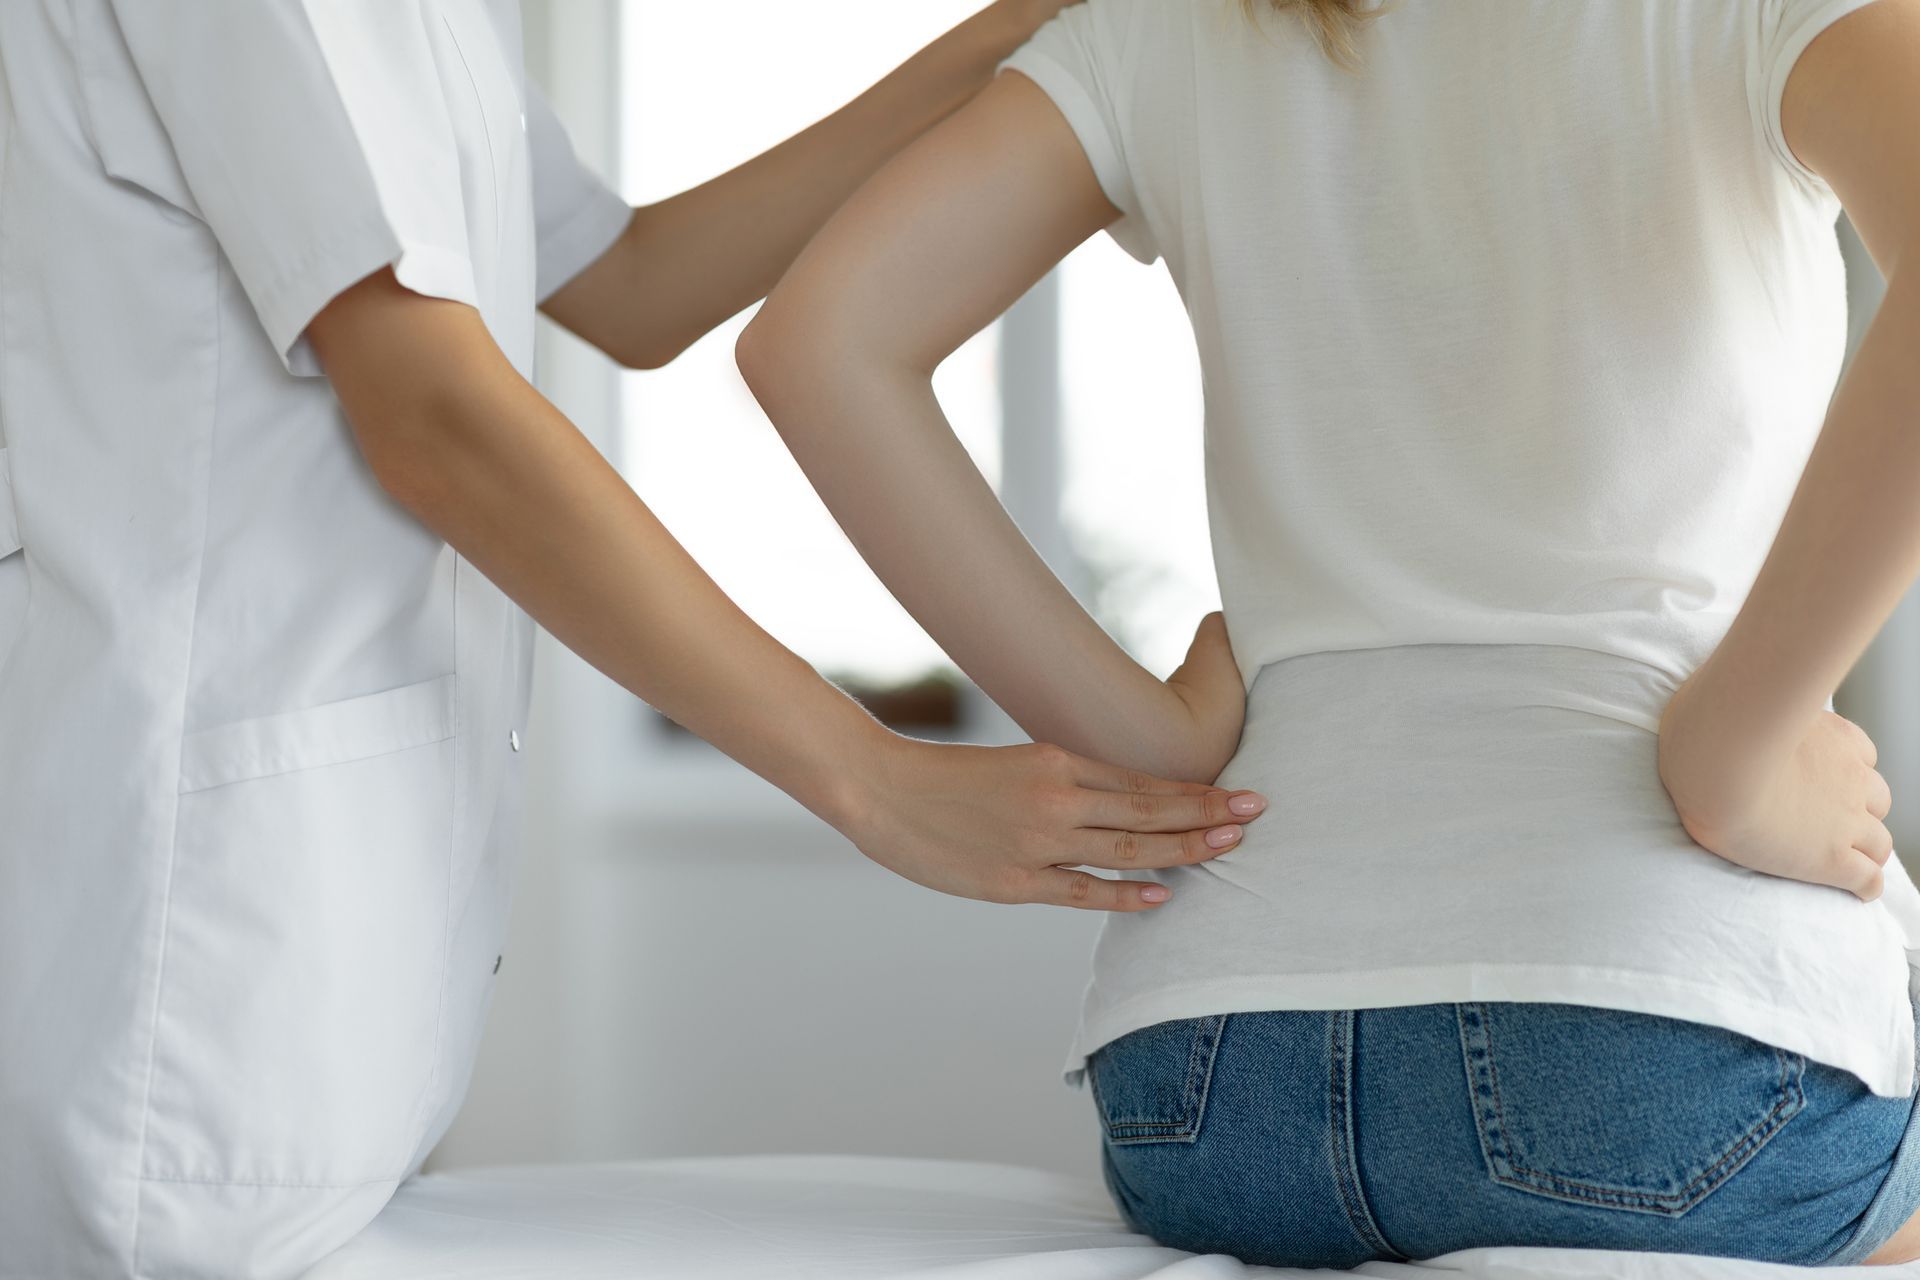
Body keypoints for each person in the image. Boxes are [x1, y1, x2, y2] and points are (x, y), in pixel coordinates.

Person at [0, 3, 1274, 1277]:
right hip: (186, 964)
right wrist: (875, 779)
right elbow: (433, 409)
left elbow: (635, 282)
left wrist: (1020, 43)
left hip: (323, 967)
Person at [738, 0, 1920, 1267]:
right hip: (1656, 1043)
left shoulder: (1163, 27)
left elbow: (818, 344)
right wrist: (1741, 751)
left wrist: (1139, 732)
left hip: (1210, 1080)